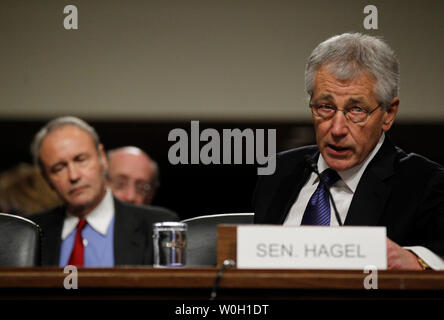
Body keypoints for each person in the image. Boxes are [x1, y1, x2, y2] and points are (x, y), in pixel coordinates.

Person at [253, 33, 444, 270]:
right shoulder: (279, 172)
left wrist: (417, 262)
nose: (337, 129)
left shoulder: (425, 184)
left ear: (388, 114)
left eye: (356, 110)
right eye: (325, 107)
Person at [29, 116, 178, 267]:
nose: (74, 176)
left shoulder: (156, 227)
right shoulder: (30, 234)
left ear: (102, 157)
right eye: (59, 168)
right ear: (46, 178)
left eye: (81, 160)